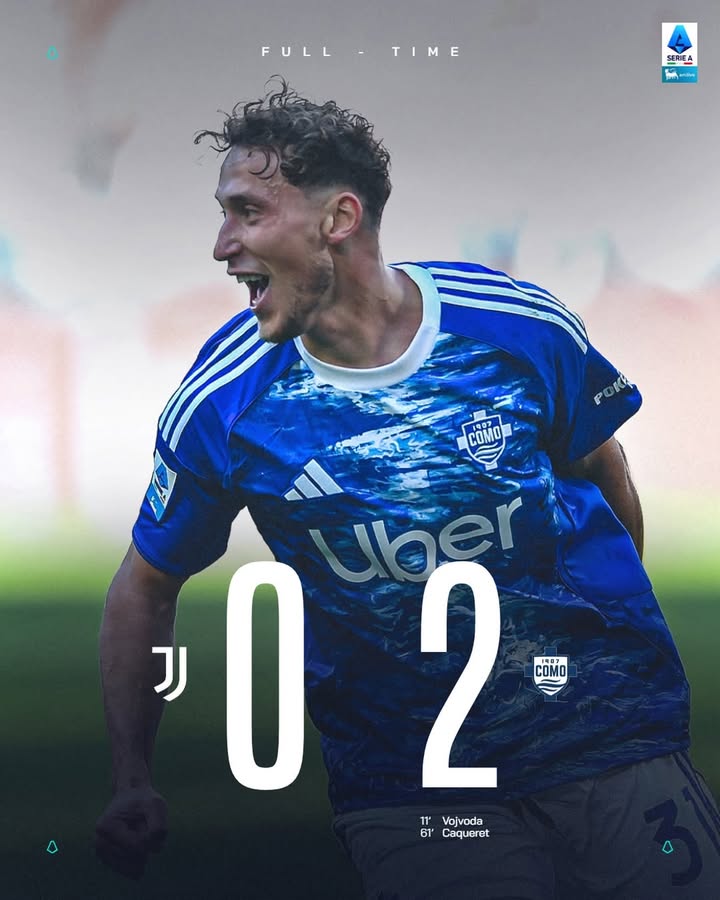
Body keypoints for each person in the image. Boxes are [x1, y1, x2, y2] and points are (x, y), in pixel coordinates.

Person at [95, 79, 720, 899]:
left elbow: (604, 472)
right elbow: (144, 585)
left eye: (248, 212)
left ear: (338, 219)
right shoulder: (226, 400)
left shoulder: (514, 326)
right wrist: (131, 777)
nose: (222, 245)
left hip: (609, 742)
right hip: (409, 786)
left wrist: (606, 656)